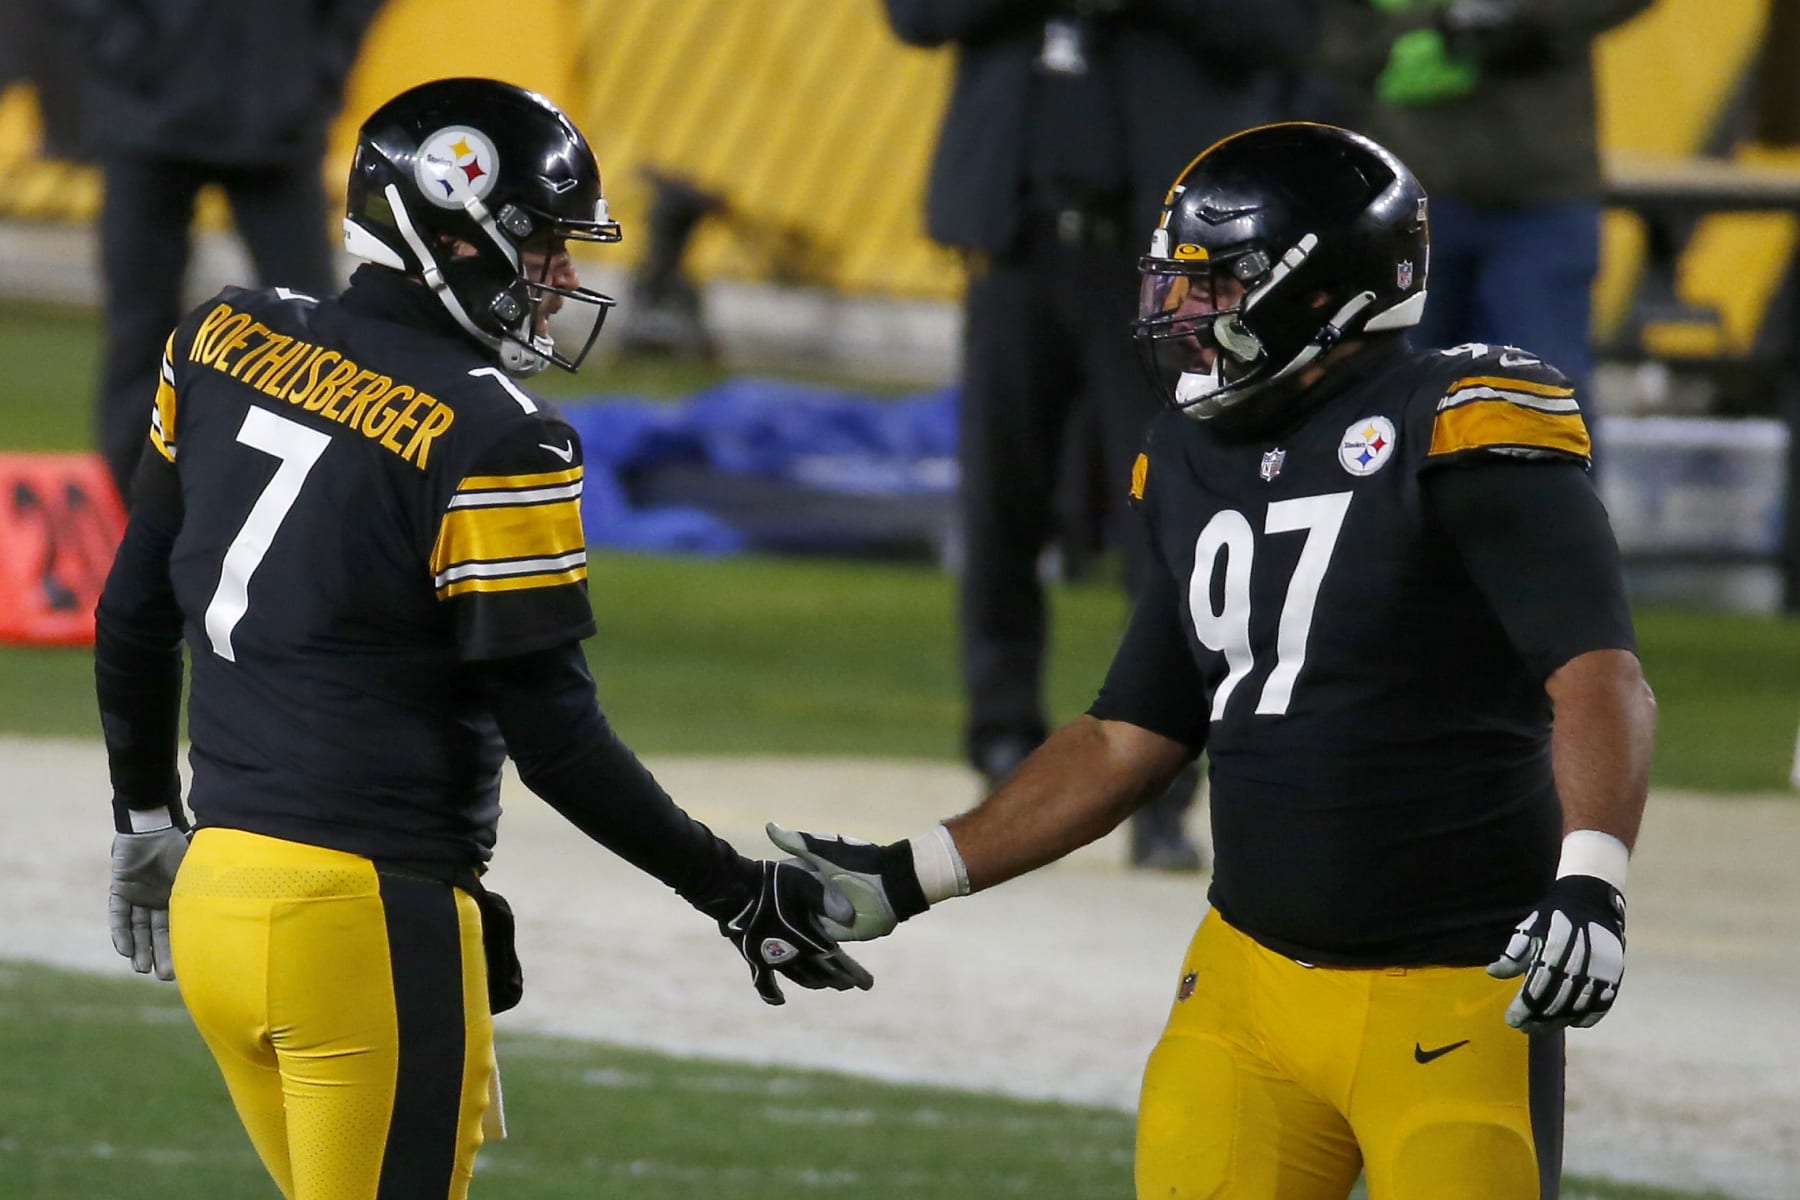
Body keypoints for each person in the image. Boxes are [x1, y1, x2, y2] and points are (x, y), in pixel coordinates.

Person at [768, 123, 1657, 1198]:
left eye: (1221, 282)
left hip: (1457, 994)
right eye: (1181, 284)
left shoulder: (1460, 420)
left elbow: (1597, 675)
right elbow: (1125, 734)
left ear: (1324, 288)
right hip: (1245, 992)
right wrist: (908, 874)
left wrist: (1591, 882)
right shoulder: (1190, 451)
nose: (1187, 312)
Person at [97, 77, 871, 1200]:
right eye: (542, 245)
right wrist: (733, 890)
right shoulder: (495, 432)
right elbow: (553, 734)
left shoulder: (222, 334)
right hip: (364, 913)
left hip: (218, 897)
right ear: (446, 234)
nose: (561, 278)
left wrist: (143, 817)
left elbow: (132, 609)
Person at [882, 0, 1317, 869]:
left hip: (1166, 264)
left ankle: (1163, 779)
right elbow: (916, 16)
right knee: (1001, 503)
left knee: (1172, 520)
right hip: (1017, 239)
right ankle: (1003, 743)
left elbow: (1286, 34)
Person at [71, 0, 388, 501]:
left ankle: (326, 500)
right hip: (146, 119)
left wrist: (319, 65)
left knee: (317, 330)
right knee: (141, 326)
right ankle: (135, 506)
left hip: (274, 117)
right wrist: (126, 48)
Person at [1311, 0, 1654, 425]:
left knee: (1539, 403)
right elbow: (1317, 40)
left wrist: (1517, 19)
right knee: (1391, 407)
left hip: (1539, 194)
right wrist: (1439, 23)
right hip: (1410, 197)